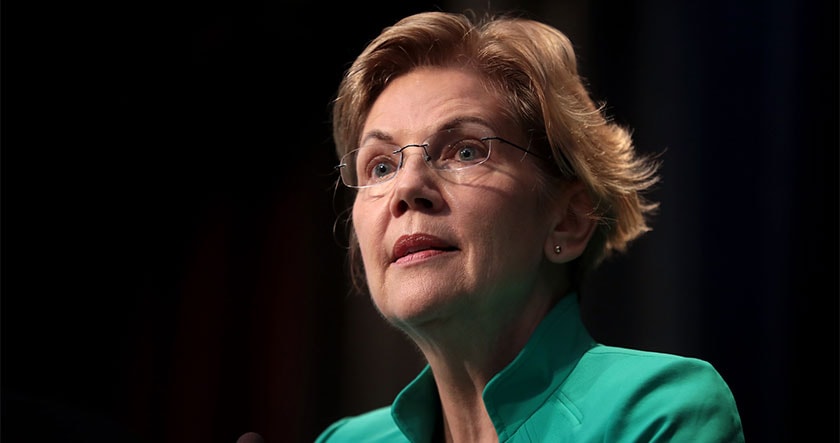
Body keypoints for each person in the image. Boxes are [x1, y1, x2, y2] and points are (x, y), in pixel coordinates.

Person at [317, 9, 745, 443]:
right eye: (381, 166)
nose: (407, 188)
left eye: (466, 151)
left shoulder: (652, 411)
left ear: (568, 221)